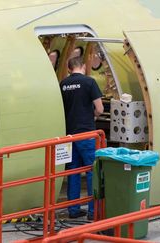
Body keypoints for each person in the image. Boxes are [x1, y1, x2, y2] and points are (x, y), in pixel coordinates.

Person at [60, 56, 104, 219]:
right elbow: (99, 108)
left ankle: (73, 210)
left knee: (73, 171)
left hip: (70, 135)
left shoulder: (63, 84)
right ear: (83, 66)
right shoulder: (89, 82)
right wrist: (91, 115)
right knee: (92, 170)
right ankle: (93, 212)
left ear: (69, 68)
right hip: (86, 134)